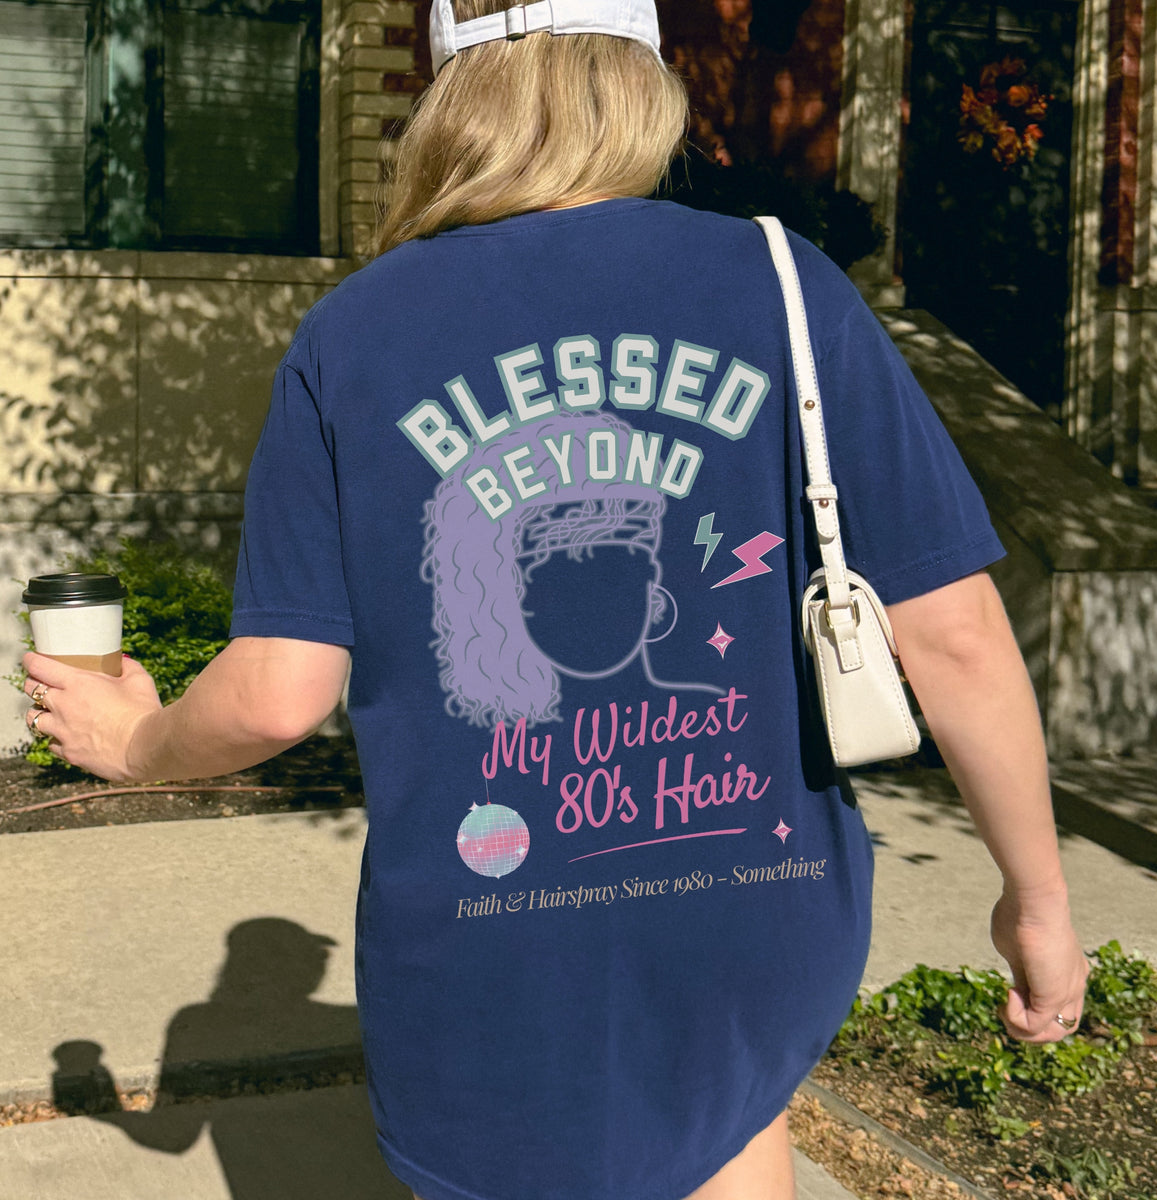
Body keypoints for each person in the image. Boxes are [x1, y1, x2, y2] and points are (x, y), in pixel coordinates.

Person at [21, 1, 1089, 1197]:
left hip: (491, 941)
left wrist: (138, 740)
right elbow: (949, 631)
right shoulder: (790, 286)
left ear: (445, 96)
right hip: (754, 905)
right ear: (643, 77)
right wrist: (1038, 901)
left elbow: (278, 697)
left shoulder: (353, 335)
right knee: (727, 1125)